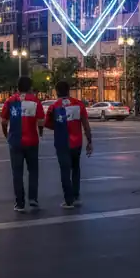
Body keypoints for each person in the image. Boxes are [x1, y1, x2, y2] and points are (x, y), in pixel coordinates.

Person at [43, 80, 93, 209]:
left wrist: (60, 126)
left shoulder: (54, 107)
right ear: (69, 90)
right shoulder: (79, 104)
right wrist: (89, 141)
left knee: (65, 171)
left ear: (56, 91)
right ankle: (76, 196)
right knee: (75, 169)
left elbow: (47, 124)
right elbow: (86, 124)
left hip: (62, 143)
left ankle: (68, 200)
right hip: (77, 143)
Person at [1, 75, 44, 213]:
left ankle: (19, 203)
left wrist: (7, 135)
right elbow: (41, 122)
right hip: (32, 141)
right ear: (30, 87)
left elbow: (3, 121)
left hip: (15, 141)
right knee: (33, 171)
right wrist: (40, 132)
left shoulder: (10, 101)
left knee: (17, 173)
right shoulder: (35, 101)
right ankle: (33, 199)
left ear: (17, 87)